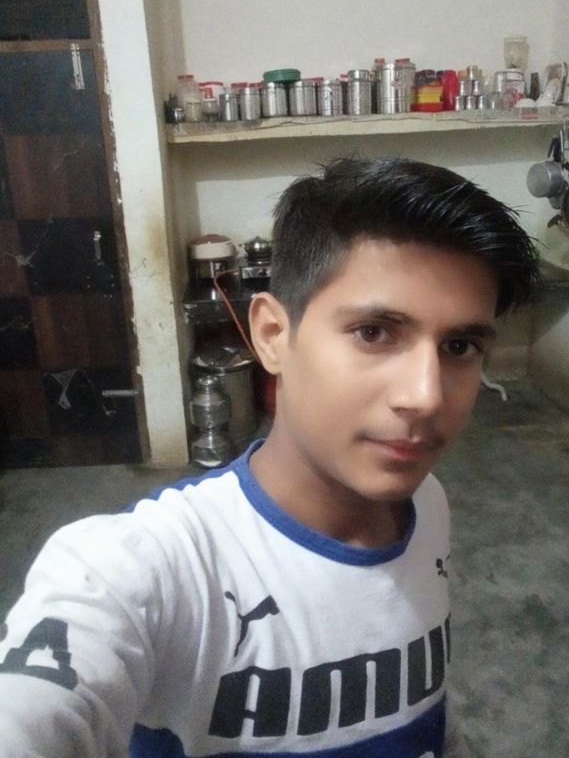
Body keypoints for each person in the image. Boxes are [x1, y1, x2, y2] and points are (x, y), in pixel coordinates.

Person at [0, 157, 539, 758]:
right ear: (272, 336)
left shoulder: (427, 504)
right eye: (374, 333)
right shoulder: (146, 569)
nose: (426, 396)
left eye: (459, 345)